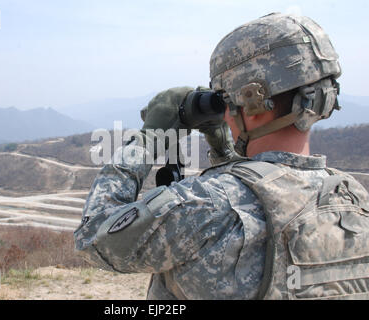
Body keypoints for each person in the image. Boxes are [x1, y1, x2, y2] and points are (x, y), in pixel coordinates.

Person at [74, 13, 369, 300]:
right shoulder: (354, 199)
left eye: (226, 99)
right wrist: (222, 148)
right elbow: (259, 182)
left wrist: (147, 140)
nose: (226, 112)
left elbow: (93, 238)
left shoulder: (205, 206)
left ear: (254, 101)